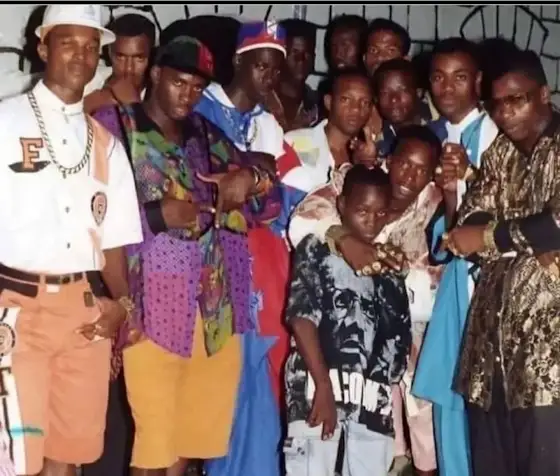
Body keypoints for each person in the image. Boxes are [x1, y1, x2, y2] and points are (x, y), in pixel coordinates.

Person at [93, 33, 282, 476]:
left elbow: (268, 203)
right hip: (151, 304)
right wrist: (155, 216)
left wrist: (251, 180)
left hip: (216, 308)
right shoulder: (115, 126)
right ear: (156, 74)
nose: (187, 95)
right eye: (179, 82)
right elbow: (87, 210)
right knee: (153, 439)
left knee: (191, 438)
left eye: (197, 87)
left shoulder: (206, 134)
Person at [0, 4, 143, 476]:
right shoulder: (5, 123)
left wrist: (122, 304)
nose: (81, 56)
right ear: (42, 48)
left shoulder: (107, 144)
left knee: (69, 456)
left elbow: (115, 241)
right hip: (16, 307)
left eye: (90, 46)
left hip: (83, 312)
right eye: (68, 43)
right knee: (16, 460)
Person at [288, 125, 443, 476]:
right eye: (404, 164)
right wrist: (342, 238)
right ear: (389, 160)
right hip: (321, 384)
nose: (410, 176)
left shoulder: (434, 205)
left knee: (409, 447)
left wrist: (402, 274)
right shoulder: (343, 201)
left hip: (375, 393)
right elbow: (301, 314)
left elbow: (398, 335)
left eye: (421, 169)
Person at [443, 48, 560, 476]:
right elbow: (467, 223)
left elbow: (557, 224)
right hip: (489, 355)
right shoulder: (500, 154)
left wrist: (493, 236)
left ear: (544, 94)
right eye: (497, 104)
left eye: (518, 100)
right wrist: (525, 237)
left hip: (548, 362)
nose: (506, 113)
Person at [284, 165, 411, 476]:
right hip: (317, 395)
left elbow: (397, 342)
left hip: (371, 406)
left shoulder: (391, 267)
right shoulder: (317, 248)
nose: (371, 221)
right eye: (362, 211)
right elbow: (301, 319)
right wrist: (323, 385)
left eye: (380, 213)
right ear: (341, 205)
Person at [412, 37, 499, 476]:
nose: (447, 88)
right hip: (453, 284)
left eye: (459, 77)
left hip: (492, 286)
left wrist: (470, 176)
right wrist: (449, 193)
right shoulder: (430, 138)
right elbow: (443, 234)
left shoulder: (498, 134)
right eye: (438, 78)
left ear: (478, 81)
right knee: (450, 404)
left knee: (486, 410)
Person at [282, 68, 374, 205]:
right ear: (329, 102)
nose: (356, 108)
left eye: (365, 102)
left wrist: (365, 167)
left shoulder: (368, 157)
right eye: (346, 99)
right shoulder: (297, 143)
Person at [84, 14, 156, 114]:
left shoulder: (159, 96)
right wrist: (96, 101)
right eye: (120, 57)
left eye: (139, 58)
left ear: (151, 56)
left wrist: (135, 105)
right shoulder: (87, 80)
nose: (129, 68)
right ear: (109, 52)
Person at [264, 19, 318, 132]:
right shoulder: (261, 101)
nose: (301, 60)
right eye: (295, 52)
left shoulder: (317, 105)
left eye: (307, 53)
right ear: (280, 56)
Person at [372, 58, 431, 160]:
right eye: (385, 93)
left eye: (402, 90)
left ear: (418, 93)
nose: (394, 99)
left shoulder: (439, 131)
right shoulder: (375, 142)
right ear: (377, 99)